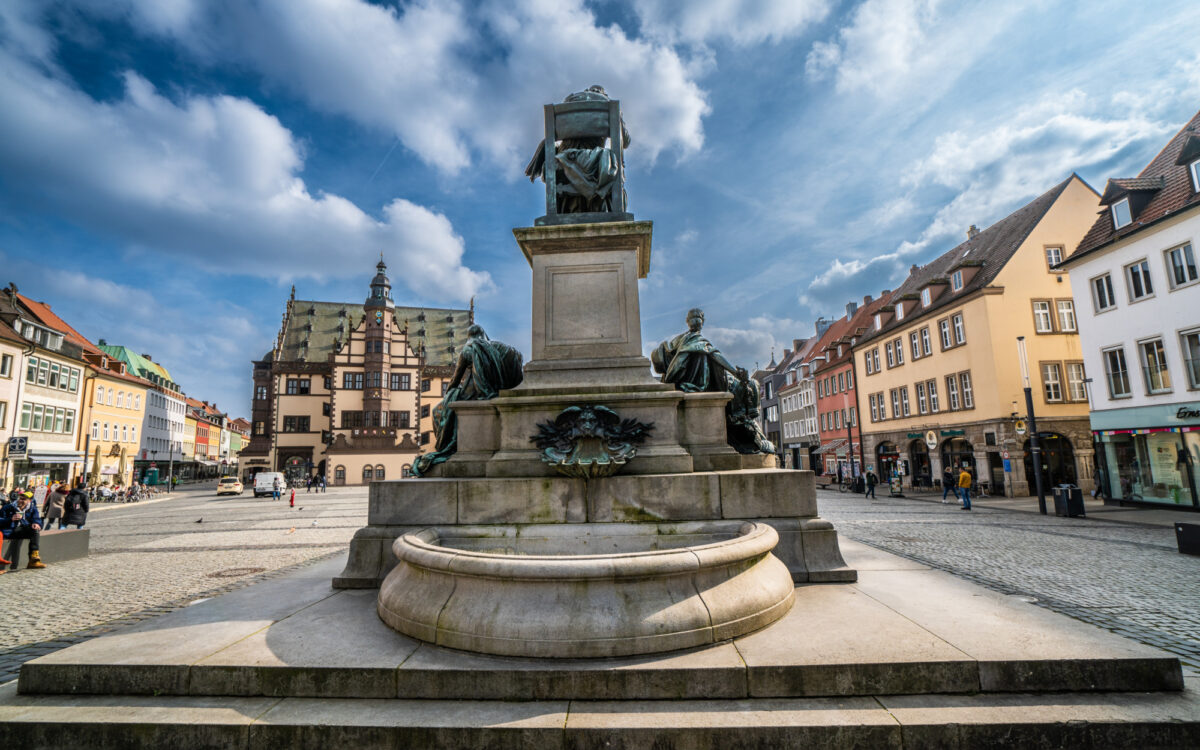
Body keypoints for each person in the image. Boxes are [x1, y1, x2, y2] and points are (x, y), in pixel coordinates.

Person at [1, 490, 47, 571]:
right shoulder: (8, 507)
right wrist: (10, 519)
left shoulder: (32, 508)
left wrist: (36, 523)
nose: (20, 501)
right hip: (10, 531)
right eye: (20, 498)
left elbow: (37, 519)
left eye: (23, 499)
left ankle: (33, 558)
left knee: (35, 529)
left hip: (22, 530)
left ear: (30, 501)